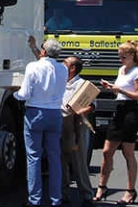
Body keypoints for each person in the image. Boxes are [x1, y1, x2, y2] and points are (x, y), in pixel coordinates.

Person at [14, 39, 68, 207]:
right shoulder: (63, 69)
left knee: (33, 157)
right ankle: (55, 199)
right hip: (55, 113)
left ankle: (34, 200)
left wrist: (14, 94)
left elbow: (25, 93)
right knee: (54, 157)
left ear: (43, 51)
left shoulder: (33, 67)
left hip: (35, 112)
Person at [95, 41, 138, 205]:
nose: (120, 58)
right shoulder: (121, 70)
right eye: (119, 55)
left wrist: (120, 90)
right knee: (106, 151)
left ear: (132, 55)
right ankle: (102, 187)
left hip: (130, 111)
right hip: (119, 109)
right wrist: (111, 88)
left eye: (123, 55)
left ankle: (130, 191)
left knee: (127, 152)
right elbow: (120, 89)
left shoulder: (137, 72)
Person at [61, 56, 95, 205]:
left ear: (73, 68)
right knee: (61, 160)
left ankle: (87, 194)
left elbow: (93, 105)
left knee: (78, 160)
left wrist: (80, 110)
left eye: (65, 64)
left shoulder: (83, 85)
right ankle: (63, 193)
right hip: (61, 122)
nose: (62, 66)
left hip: (77, 123)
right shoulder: (59, 82)